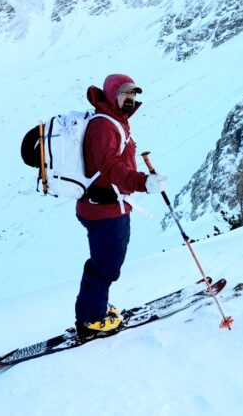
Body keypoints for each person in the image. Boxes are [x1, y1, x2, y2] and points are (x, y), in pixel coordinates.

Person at [74, 73, 167, 334]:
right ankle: (91, 320)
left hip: (111, 205)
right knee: (105, 265)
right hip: (103, 210)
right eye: (125, 93)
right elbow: (111, 168)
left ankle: (95, 306)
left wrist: (140, 181)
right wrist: (142, 182)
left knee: (107, 262)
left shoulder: (116, 121)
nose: (131, 98)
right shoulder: (105, 125)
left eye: (134, 94)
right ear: (112, 94)